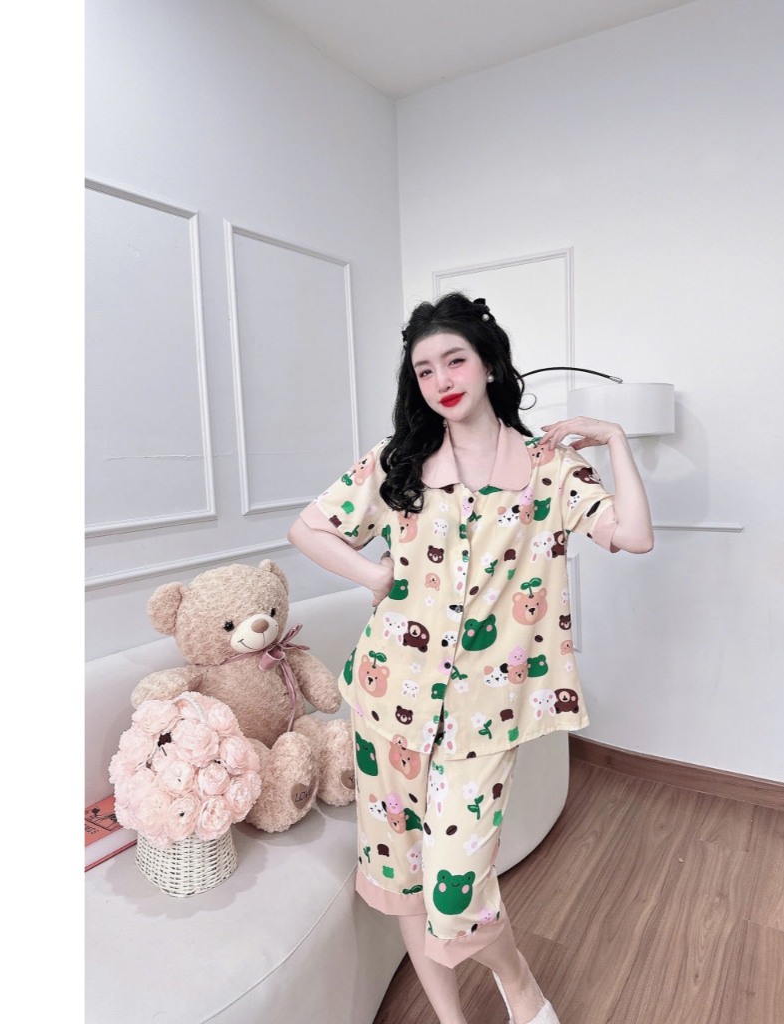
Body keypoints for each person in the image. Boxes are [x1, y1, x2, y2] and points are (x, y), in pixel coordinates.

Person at [288, 292, 654, 1024]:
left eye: (454, 359)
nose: (441, 379)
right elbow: (309, 528)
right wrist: (373, 576)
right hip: (387, 702)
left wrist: (616, 439)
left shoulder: (548, 469)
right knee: (402, 876)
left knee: (457, 889)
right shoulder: (399, 463)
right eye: (424, 370)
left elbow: (634, 534)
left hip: (482, 714)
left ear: (489, 364)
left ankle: (520, 985)